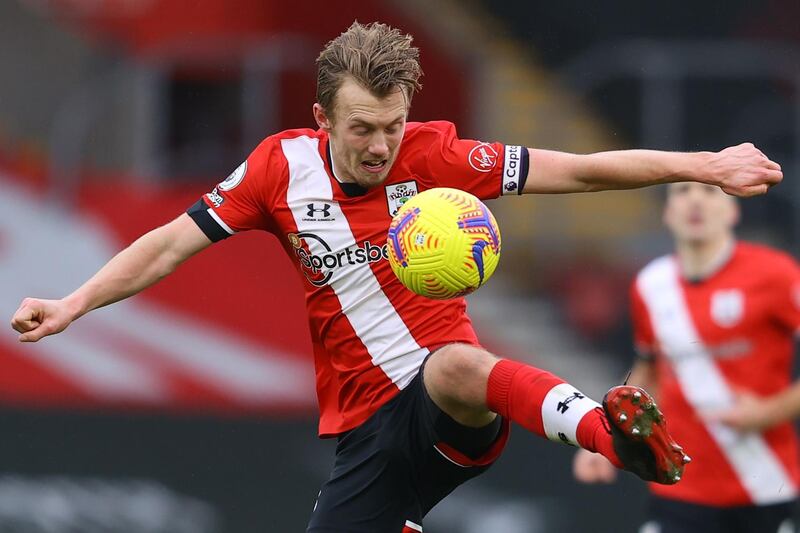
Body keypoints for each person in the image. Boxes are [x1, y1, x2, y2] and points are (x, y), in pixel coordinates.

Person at [11, 22, 781, 533]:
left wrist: (704, 165)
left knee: (454, 361)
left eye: (392, 124)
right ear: (321, 118)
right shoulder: (277, 169)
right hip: (361, 432)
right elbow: (171, 244)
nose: (381, 145)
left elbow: (576, 171)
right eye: (362, 129)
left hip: (446, 407)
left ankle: (609, 433)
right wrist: (75, 302)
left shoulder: (435, 156)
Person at [573, 182, 800, 533]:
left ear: (733, 211)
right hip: (679, 484)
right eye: (682, 191)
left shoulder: (776, 274)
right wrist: (604, 437)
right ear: (667, 212)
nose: (695, 200)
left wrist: (769, 412)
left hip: (762, 482)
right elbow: (648, 374)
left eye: (710, 192)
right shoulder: (650, 284)